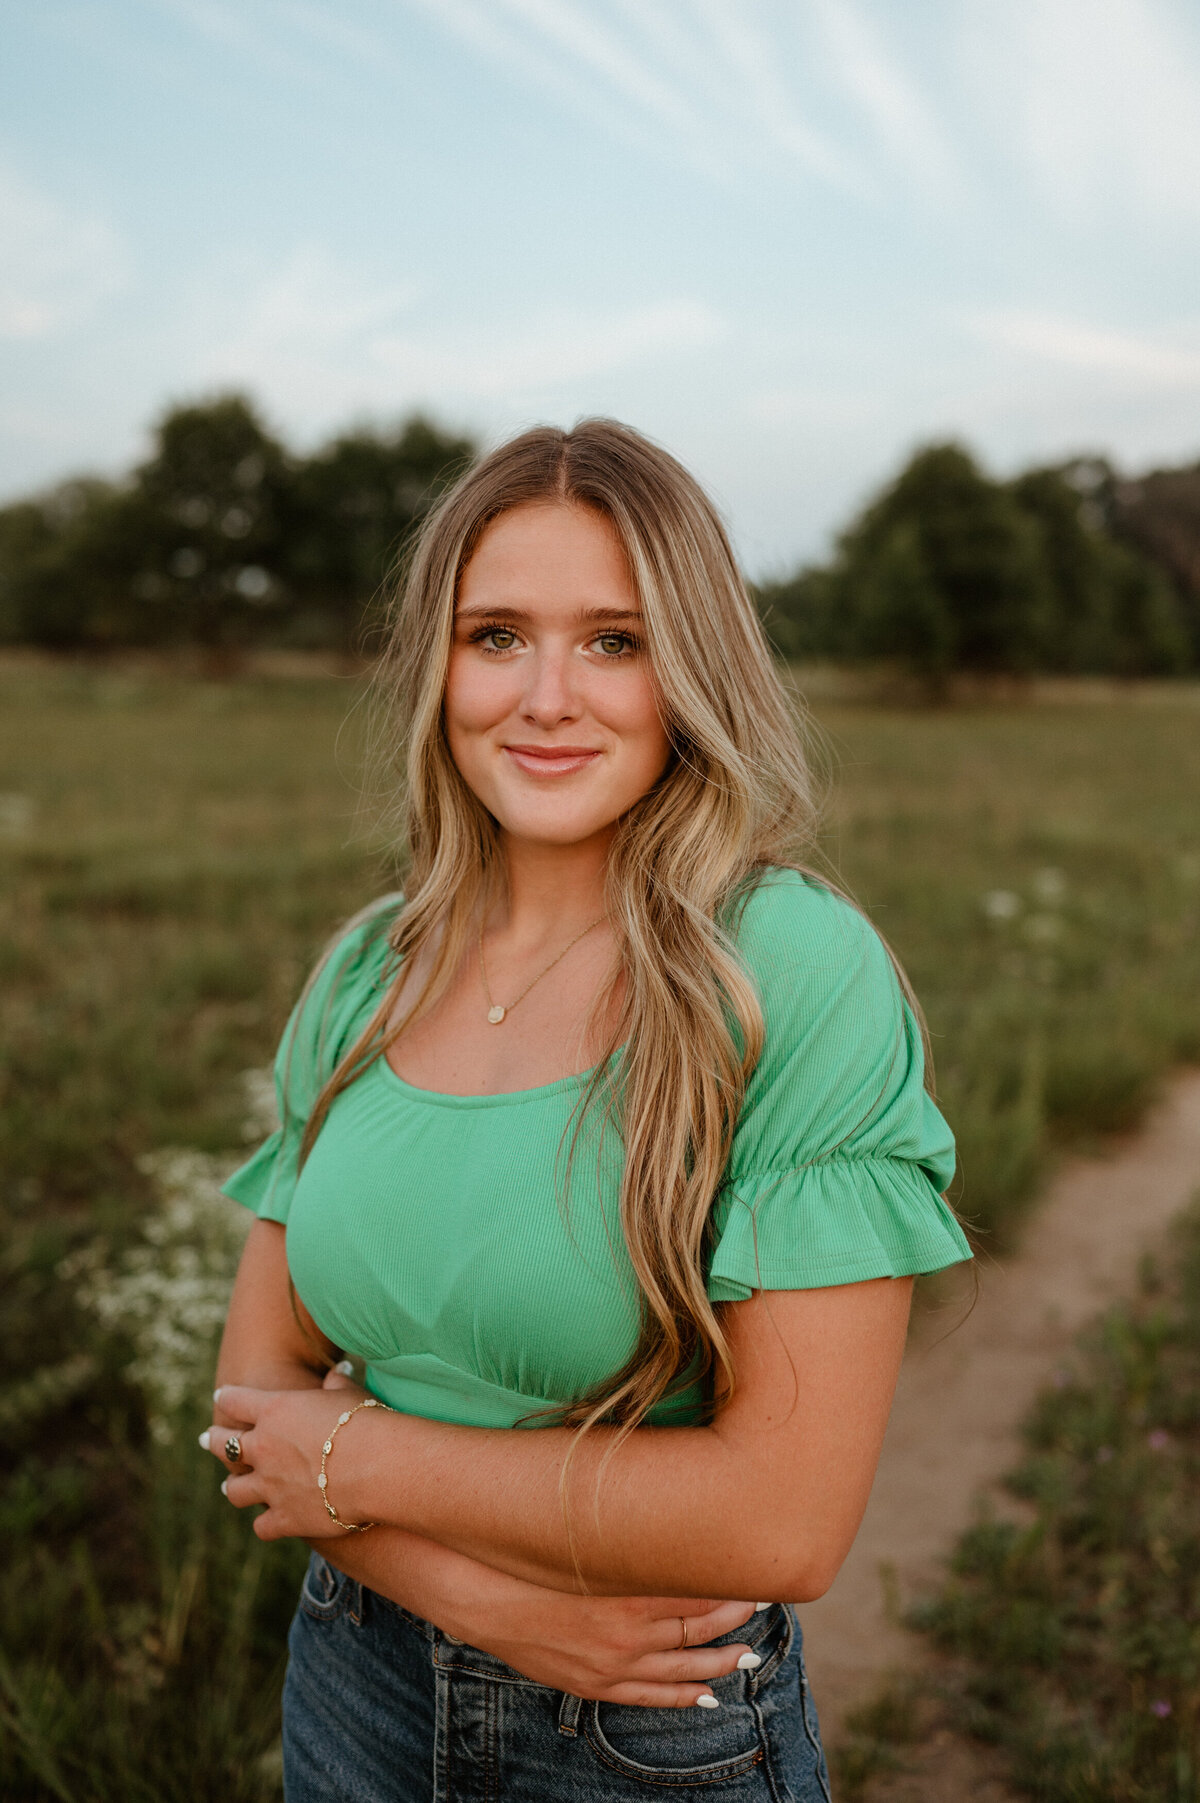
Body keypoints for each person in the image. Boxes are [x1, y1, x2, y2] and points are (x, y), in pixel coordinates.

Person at [204, 419, 972, 1802]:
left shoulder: (787, 967)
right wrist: (479, 1597)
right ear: (436, 664)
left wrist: (359, 1453)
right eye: (496, 634)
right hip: (349, 1682)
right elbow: (251, 1403)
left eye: (613, 641)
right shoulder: (371, 966)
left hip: (645, 1731)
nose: (546, 695)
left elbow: (782, 1519)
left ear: (692, 671)